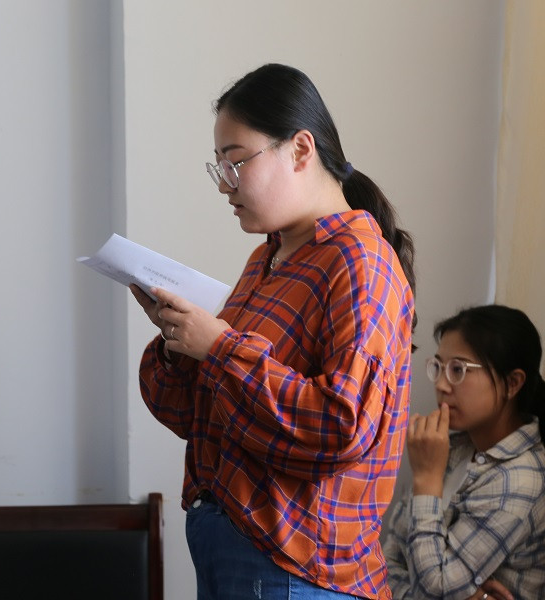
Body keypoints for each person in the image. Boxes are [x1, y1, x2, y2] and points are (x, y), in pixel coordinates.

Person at [132, 63, 416, 600]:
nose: (225, 185)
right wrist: (178, 344)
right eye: (219, 167)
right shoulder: (267, 260)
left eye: (236, 162)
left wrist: (218, 347)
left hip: (295, 567)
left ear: (301, 150)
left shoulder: (360, 262)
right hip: (237, 546)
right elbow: (197, 415)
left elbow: (343, 426)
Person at [384, 305, 545, 600]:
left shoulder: (523, 480)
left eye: (458, 370)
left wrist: (426, 480)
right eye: (439, 367)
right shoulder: (454, 447)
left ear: (512, 383)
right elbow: (388, 558)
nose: (441, 385)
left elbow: (434, 589)